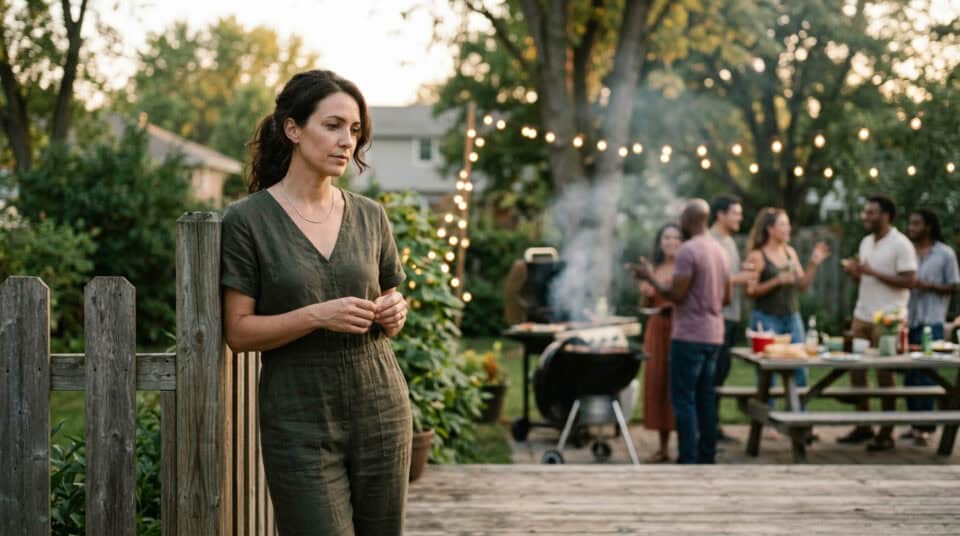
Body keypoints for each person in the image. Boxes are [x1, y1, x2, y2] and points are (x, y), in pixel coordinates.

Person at [221, 70, 412, 535]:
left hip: (382, 410)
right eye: (333, 125)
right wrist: (317, 315)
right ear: (293, 129)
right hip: (299, 421)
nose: (347, 141)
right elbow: (239, 332)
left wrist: (395, 312)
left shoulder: (370, 216)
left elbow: (390, 301)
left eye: (354, 130)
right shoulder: (247, 222)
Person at [629, 199, 731, 464]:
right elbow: (727, 297)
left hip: (689, 335)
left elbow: (676, 294)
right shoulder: (719, 251)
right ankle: (707, 457)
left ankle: (688, 458)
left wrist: (650, 278)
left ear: (689, 219)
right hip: (714, 334)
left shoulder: (688, 251)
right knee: (706, 398)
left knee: (683, 400)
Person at [840, 195, 917, 452]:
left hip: (889, 318)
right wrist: (855, 274)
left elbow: (909, 281)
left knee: (885, 374)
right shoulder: (865, 242)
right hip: (862, 314)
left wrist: (873, 273)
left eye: (871, 213)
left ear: (886, 215)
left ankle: (886, 431)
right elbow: (865, 280)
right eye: (865, 212)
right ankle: (864, 425)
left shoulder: (901, 244)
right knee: (857, 372)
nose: (865, 217)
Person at [744, 208, 831, 390]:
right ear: (770, 229)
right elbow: (750, 291)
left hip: (792, 318)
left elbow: (802, 285)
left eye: (788, 224)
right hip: (766, 319)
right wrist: (776, 280)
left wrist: (813, 263)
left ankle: (799, 416)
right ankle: (767, 414)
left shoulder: (790, 253)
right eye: (783, 224)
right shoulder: (758, 256)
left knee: (800, 370)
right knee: (769, 375)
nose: (788, 228)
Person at [904, 208, 959, 445]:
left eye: (916, 224)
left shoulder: (945, 254)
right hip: (909, 319)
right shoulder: (907, 252)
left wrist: (926, 285)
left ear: (927, 226)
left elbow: (954, 286)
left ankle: (926, 428)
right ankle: (915, 424)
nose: (911, 228)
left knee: (927, 375)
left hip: (932, 320)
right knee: (909, 375)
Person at [709, 194, 757, 441]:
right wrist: (738, 278)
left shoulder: (728, 241)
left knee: (722, 371)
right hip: (717, 317)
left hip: (731, 316)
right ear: (721, 215)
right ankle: (708, 427)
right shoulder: (711, 241)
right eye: (735, 213)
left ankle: (713, 425)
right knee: (713, 373)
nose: (740, 217)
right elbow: (709, 279)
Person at [638, 223, 682, 463]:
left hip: (679, 329)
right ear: (660, 241)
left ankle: (683, 443)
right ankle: (663, 447)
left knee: (676, 385)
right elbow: (644, 306)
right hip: (656, 330)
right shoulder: (654, 268)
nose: (671, 242)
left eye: (676, 238)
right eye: (666, 237)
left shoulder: (685, 266)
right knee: (657, 383)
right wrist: (645, 291)